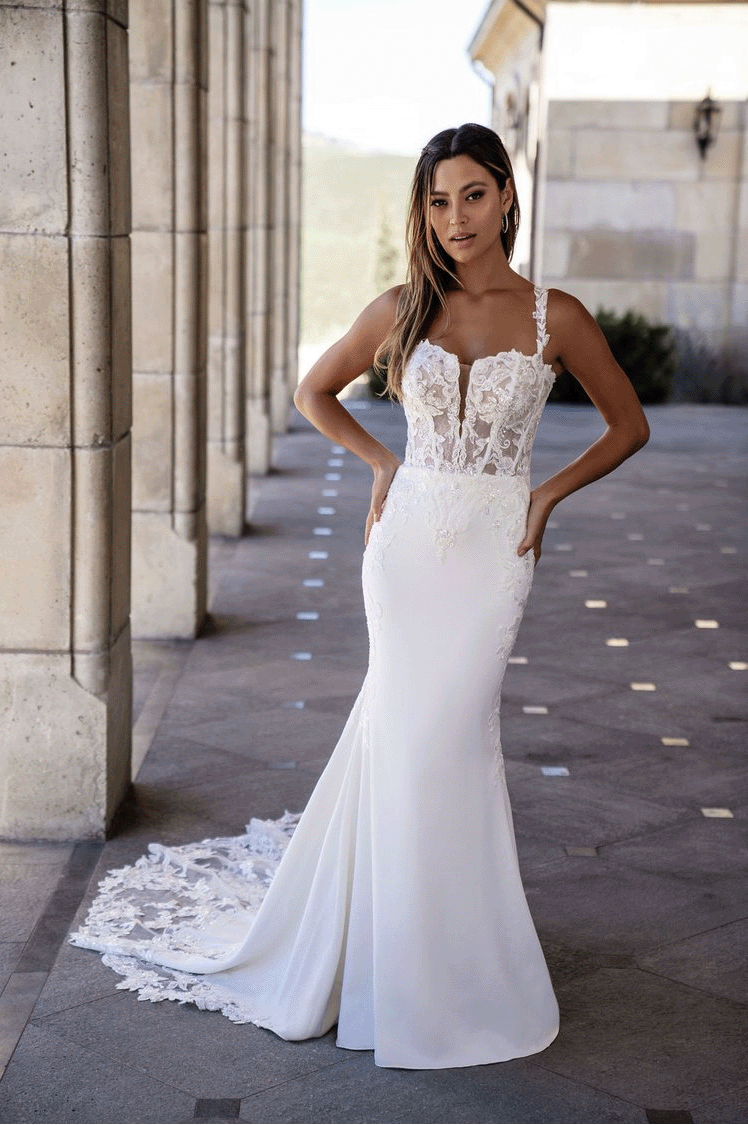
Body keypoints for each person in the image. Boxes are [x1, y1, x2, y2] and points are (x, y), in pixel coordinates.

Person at [71, 123, 649, 1070]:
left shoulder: (558, 317)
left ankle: (452, 961)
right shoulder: (402, 306)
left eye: (471, 194)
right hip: (409, 545)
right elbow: (315, 391)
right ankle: (397, 957)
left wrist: (547, 492)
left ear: (507, 194)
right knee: (410, 740)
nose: (454, 217)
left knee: (446, 740)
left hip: (496, 551)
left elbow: (629, 425)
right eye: (436, 199)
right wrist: (384, 462)